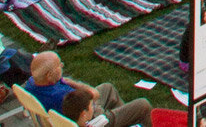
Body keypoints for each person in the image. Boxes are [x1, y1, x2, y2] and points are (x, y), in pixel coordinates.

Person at [23, 51, 151, 127]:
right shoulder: (62, 95)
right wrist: (70, 81)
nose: (62, 66)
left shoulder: (31, 83)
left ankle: (125, 122)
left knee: (107, 88)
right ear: (49, 75)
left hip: (72, 114)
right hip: (90, 119)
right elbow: (93, 95)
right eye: (59, 65)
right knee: (142, 105)